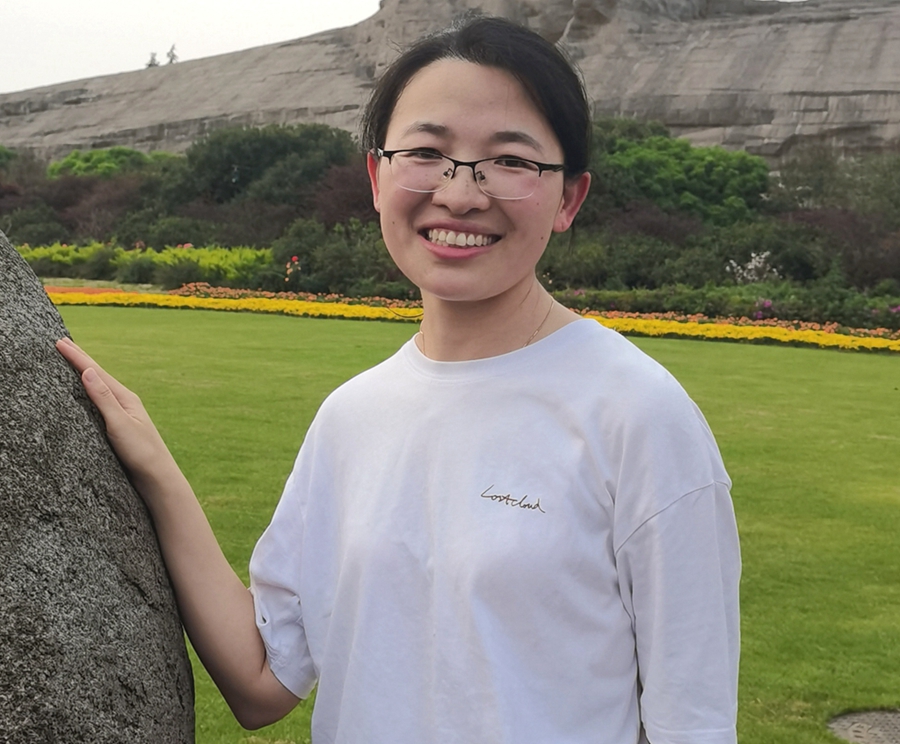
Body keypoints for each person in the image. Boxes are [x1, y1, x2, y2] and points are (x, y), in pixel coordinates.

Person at [57, 15, 740, 744]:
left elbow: (692, 724)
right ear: (378, 179)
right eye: (427, 152)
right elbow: (261, 677)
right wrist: (155, 469)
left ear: (569, 197)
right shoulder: (354, 416)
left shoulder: (637, 414)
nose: (461, 193)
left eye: (509, 160)